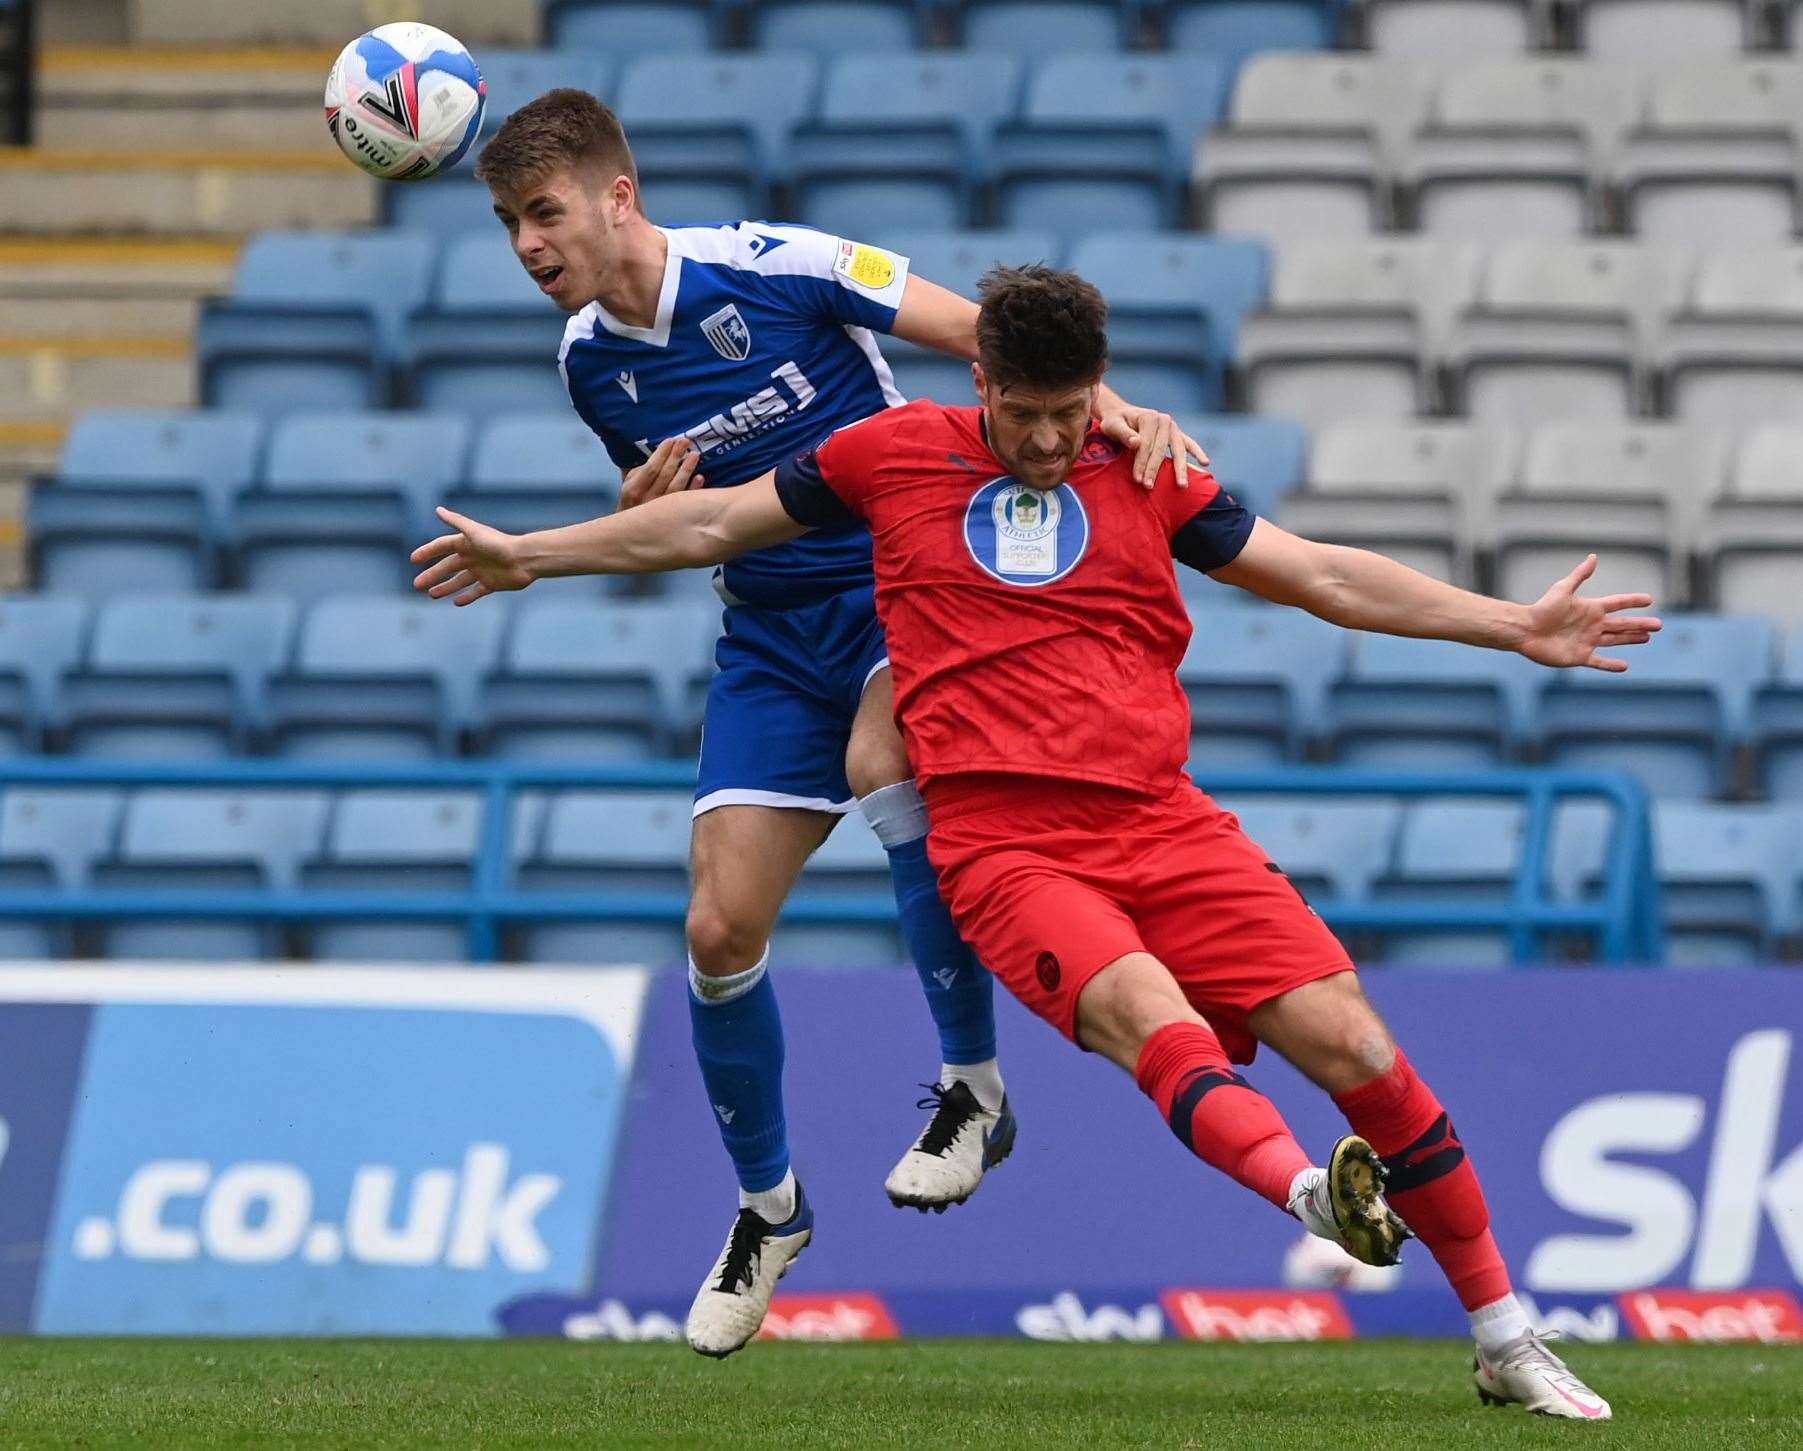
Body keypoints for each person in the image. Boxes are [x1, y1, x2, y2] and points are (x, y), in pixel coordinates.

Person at [411, 264, 1655, 1416]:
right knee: (1150, 1020)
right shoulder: (887, 456)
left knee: (1359, 1044)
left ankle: (1504, 1336)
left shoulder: (1147, 468)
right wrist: (530, 553)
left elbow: (1321, 575)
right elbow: (705, 527)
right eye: (1031, 414)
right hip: (1009, 850)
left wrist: (1513, 625)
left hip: (1169, 822)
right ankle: (1305, 1194)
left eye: (1075, 411)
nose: (1056, 439)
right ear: (982, 384)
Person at [470, 91, 1205, 1357]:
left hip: (898, 591)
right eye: (507, 224)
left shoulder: (779, 263)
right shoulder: (590, 361)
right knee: (717, 927)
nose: (529, 244)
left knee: (886, 759)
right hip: (766, 636)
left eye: (544, 213)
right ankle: (771, 1209)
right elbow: (687, 520)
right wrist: (633, 501)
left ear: (617, 198)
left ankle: (972, 1084)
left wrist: (1116, 406)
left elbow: (988, 337)